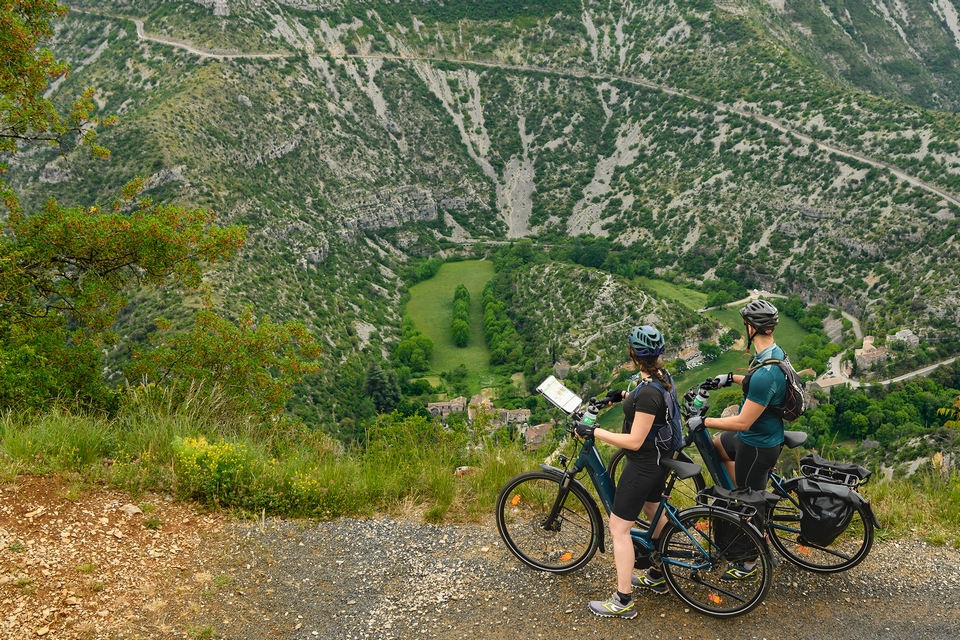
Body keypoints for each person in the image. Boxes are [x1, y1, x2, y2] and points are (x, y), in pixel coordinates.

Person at [574, 325, 674, 619]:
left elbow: (634, 440)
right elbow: (645, 402)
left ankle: (623, 601)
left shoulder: (648, 394)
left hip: (644, 465)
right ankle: (658, 574)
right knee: (654, 509)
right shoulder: (659, 379)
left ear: (632, 354)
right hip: (659, 460)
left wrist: (596, 430)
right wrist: (621, 395)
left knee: (619, 529)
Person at [687, 299, 786, 581]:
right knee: (718, 445)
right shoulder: (771, 354)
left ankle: (748, 563)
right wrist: (732, 378)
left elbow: (743, 421)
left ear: (751, 327)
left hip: (756, 446)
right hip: (750, 438)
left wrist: (703, 421)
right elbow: (757, 385)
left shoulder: (767, 371)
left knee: (748, 504)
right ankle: (732, 497)